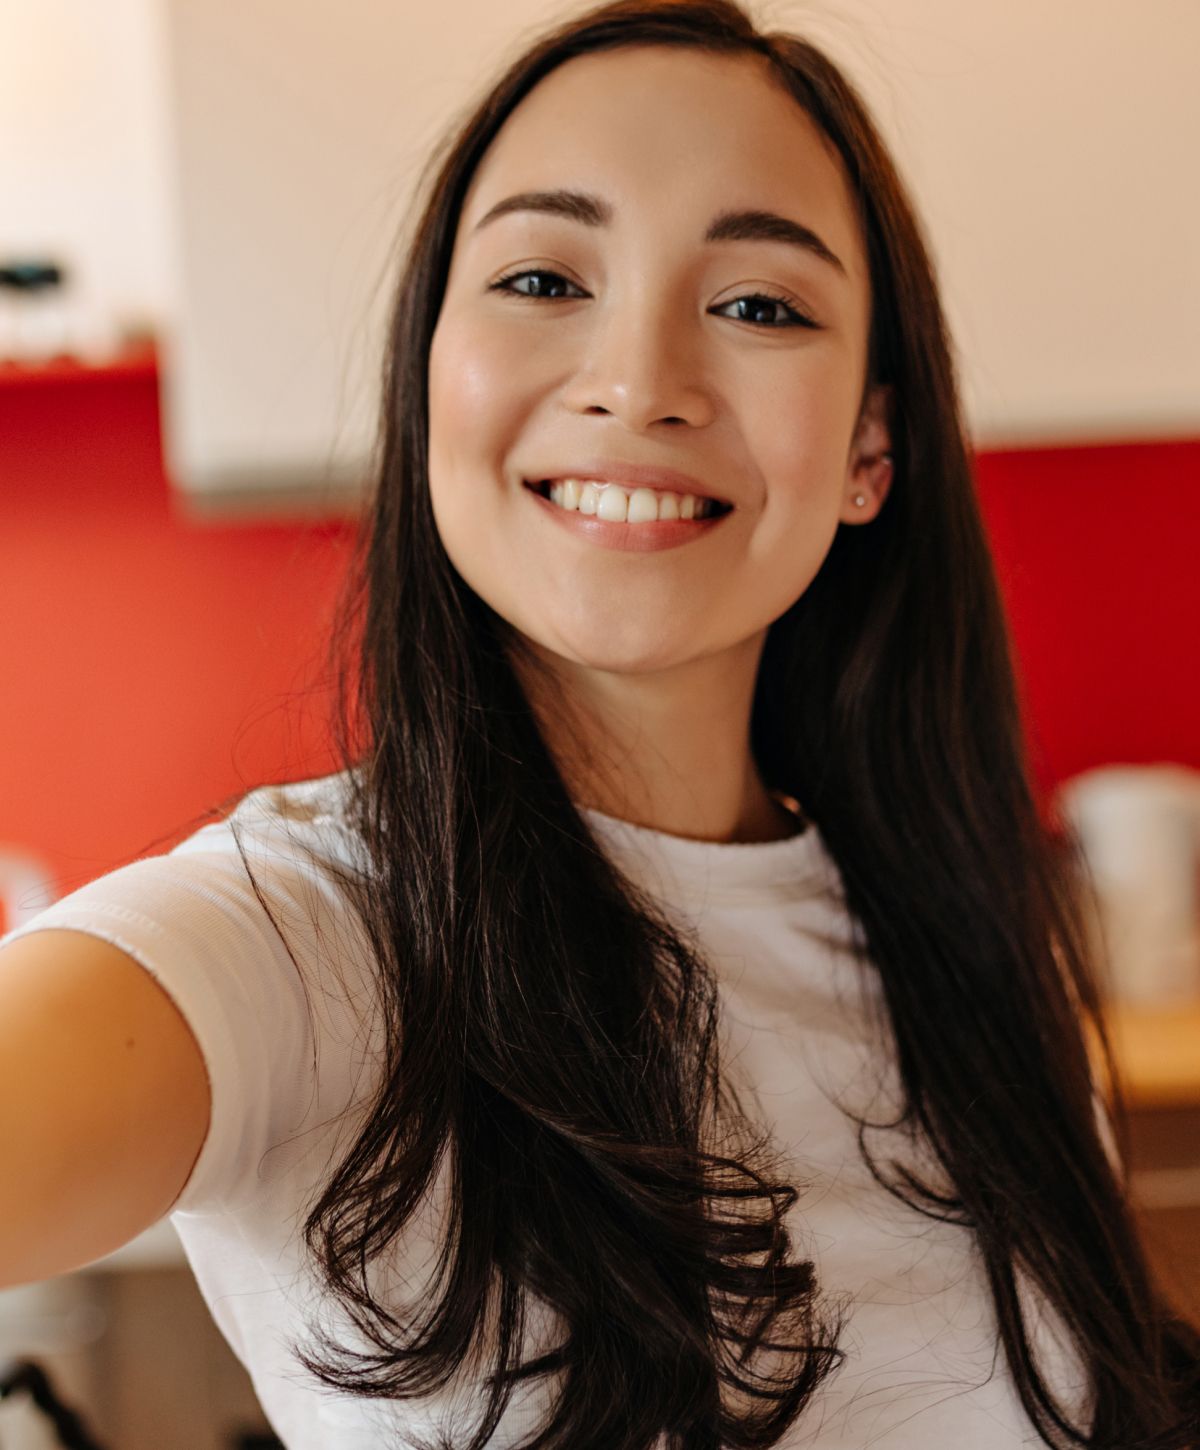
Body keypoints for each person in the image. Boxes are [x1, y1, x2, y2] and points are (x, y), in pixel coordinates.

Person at [1, 1, 1197, 1446]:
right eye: (541, 276)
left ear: (872, 445)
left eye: (759, 304)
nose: (639, 380)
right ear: (431, 375)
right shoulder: (299, 937)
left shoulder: (962, 944)